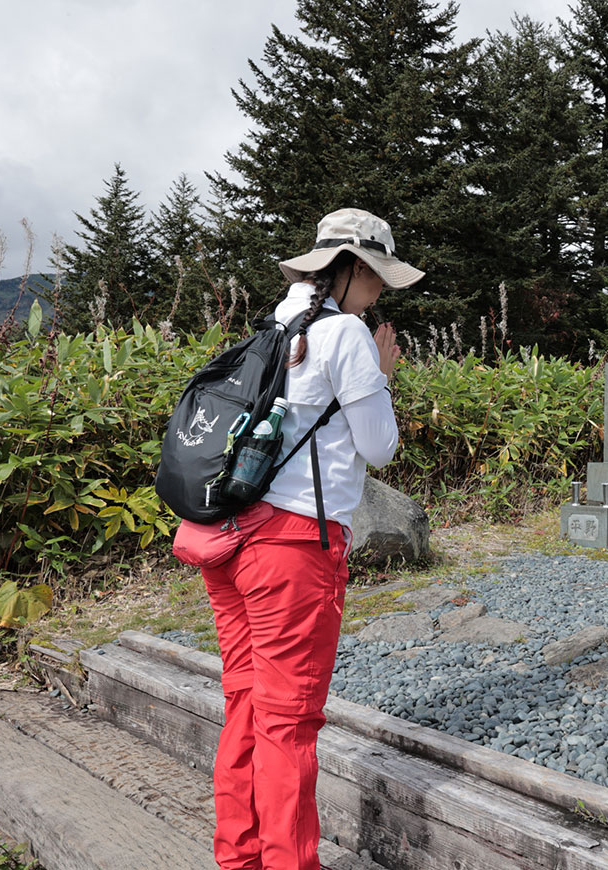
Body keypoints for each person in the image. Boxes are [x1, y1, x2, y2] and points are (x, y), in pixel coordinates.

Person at [201, 208, 421, 870]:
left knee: (246, 704)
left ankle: (238, 857)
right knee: (288, 722)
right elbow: (380, 449)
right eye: (378, 278)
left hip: (231, 538)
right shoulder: (347, 335)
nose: (381, 293)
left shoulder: (276, 322)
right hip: (293, 548)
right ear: (353, 269)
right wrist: (379, 375)